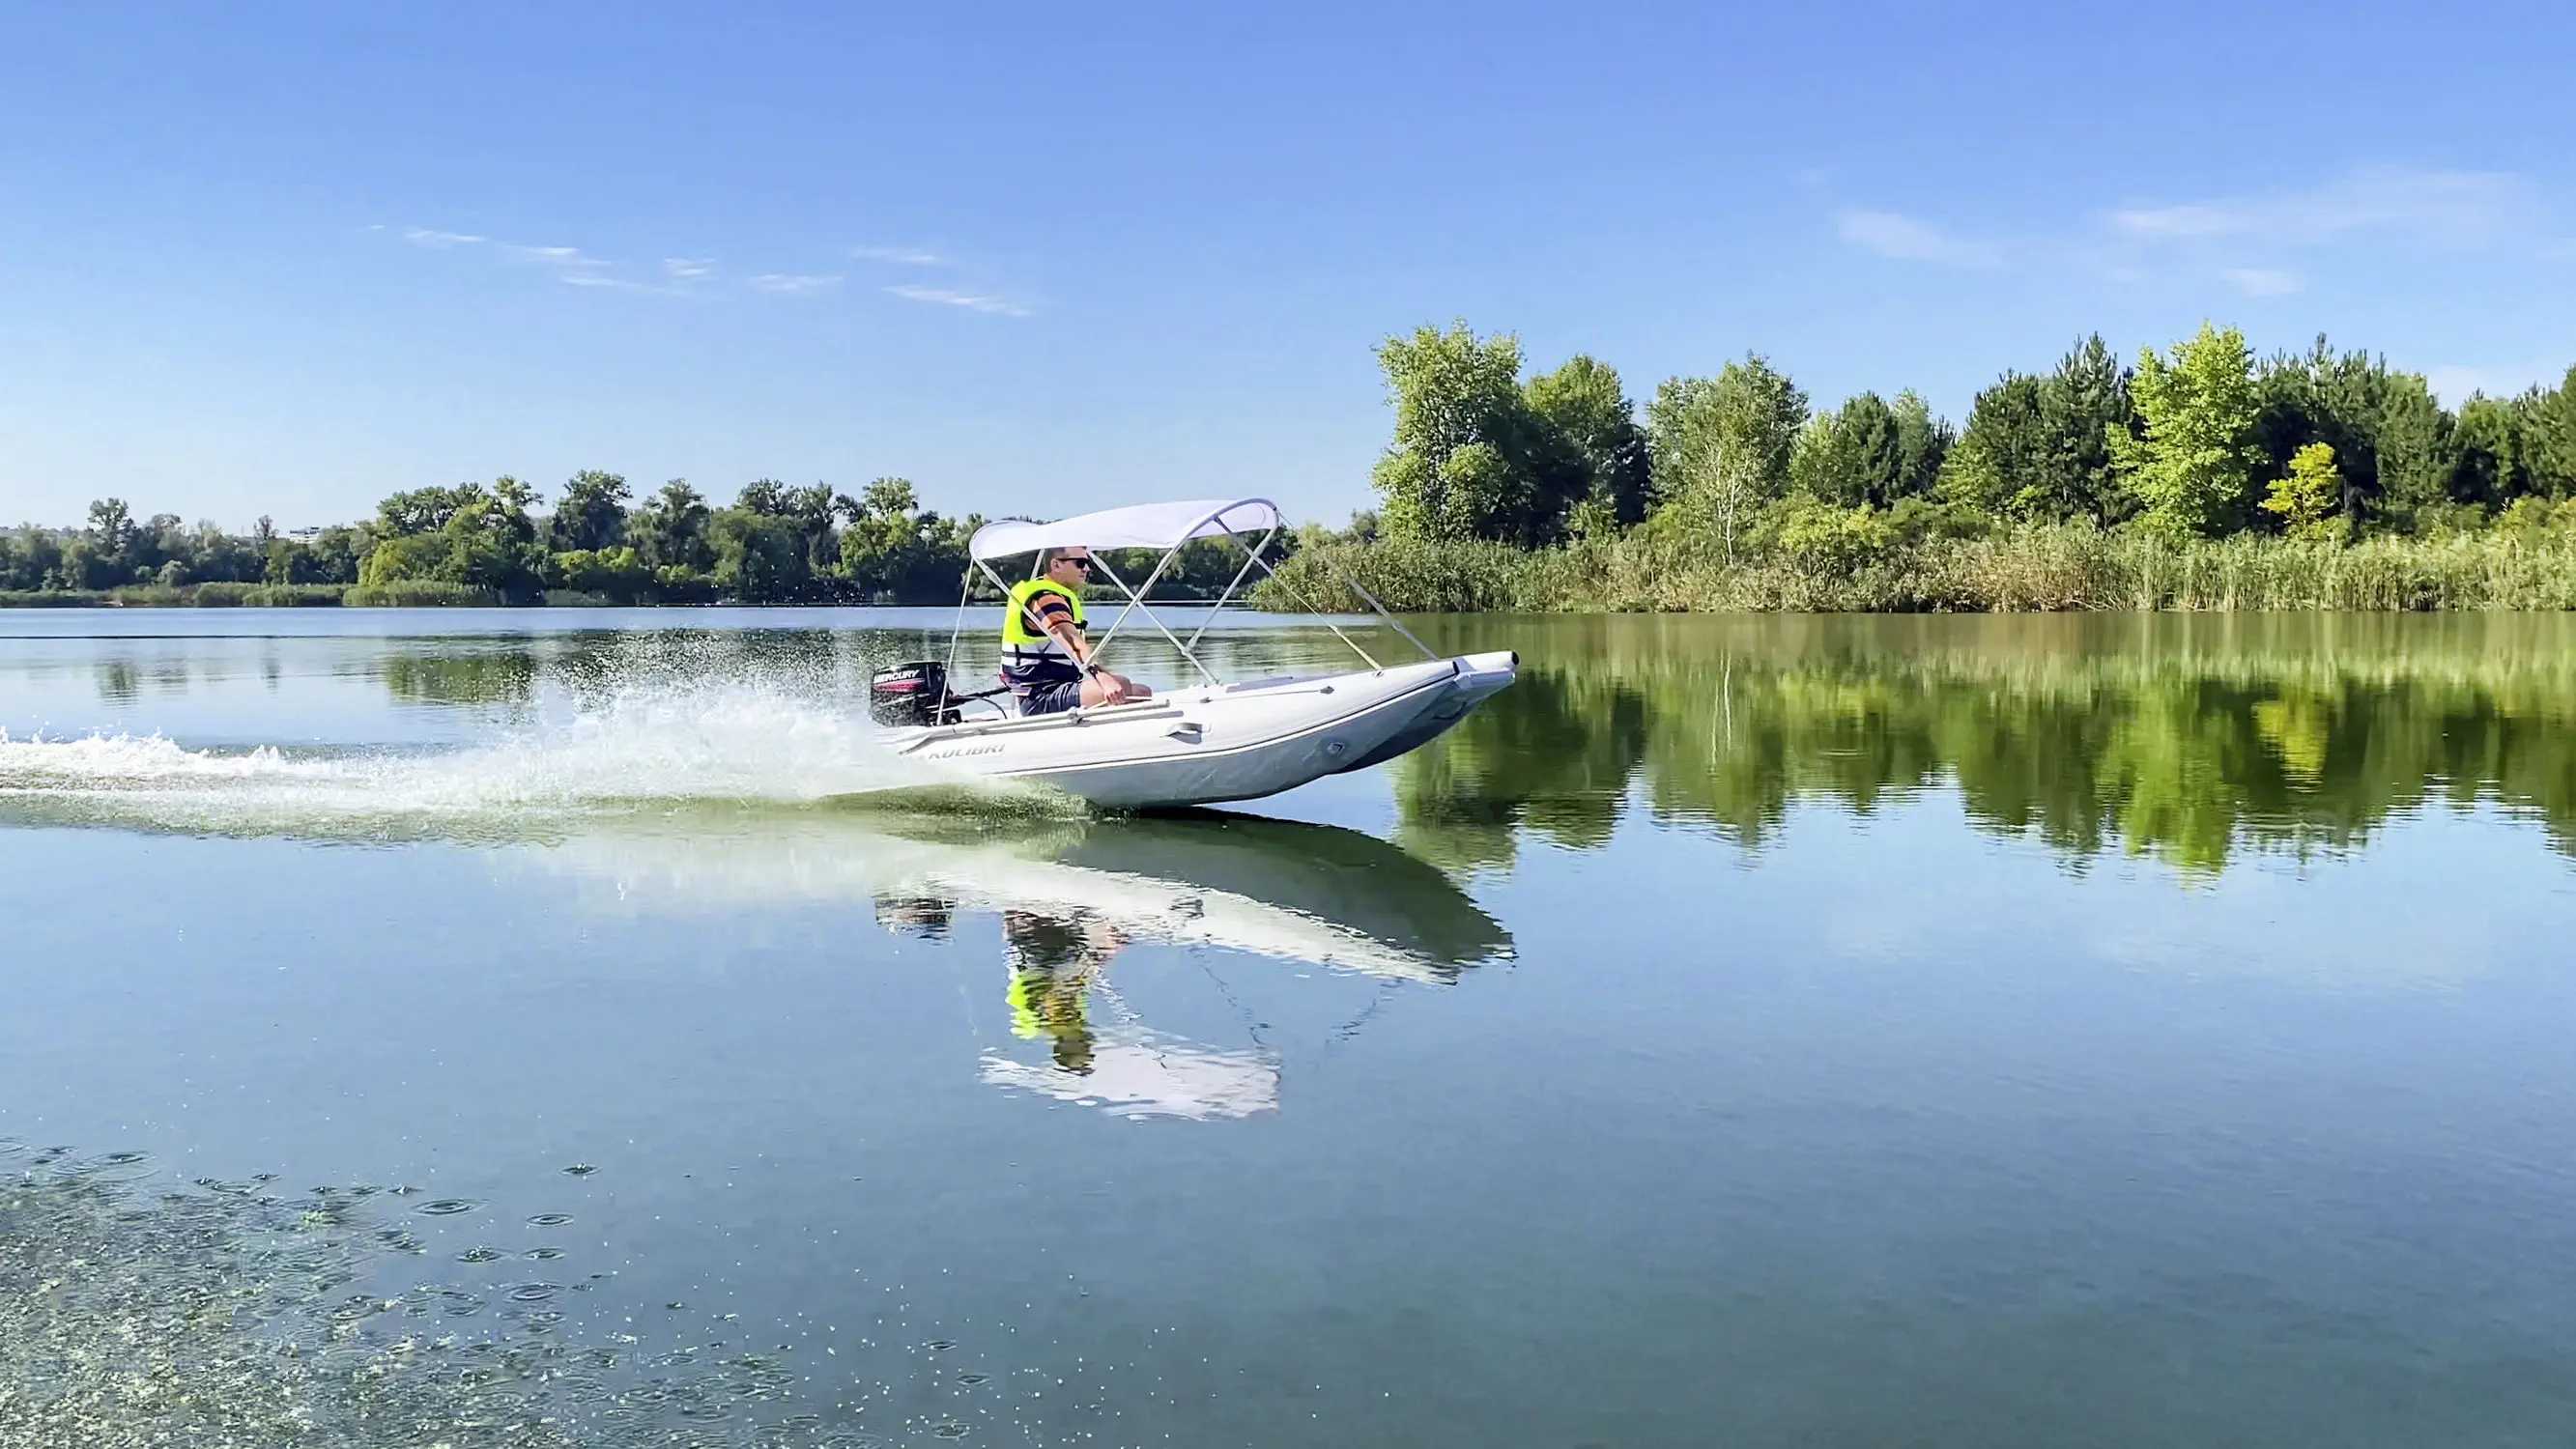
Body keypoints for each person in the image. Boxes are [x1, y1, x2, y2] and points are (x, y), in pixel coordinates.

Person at [999, 547, 1152, 715]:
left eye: (1087, 563)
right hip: (1039, 697)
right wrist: (1104, 678)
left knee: (1142, 692)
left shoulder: (1056, 595)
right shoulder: (1045, 599)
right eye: (1080, 563)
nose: (1086, 568)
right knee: (1121, 685)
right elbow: (1072, 642)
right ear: (1056, 565)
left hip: (1057, 688)